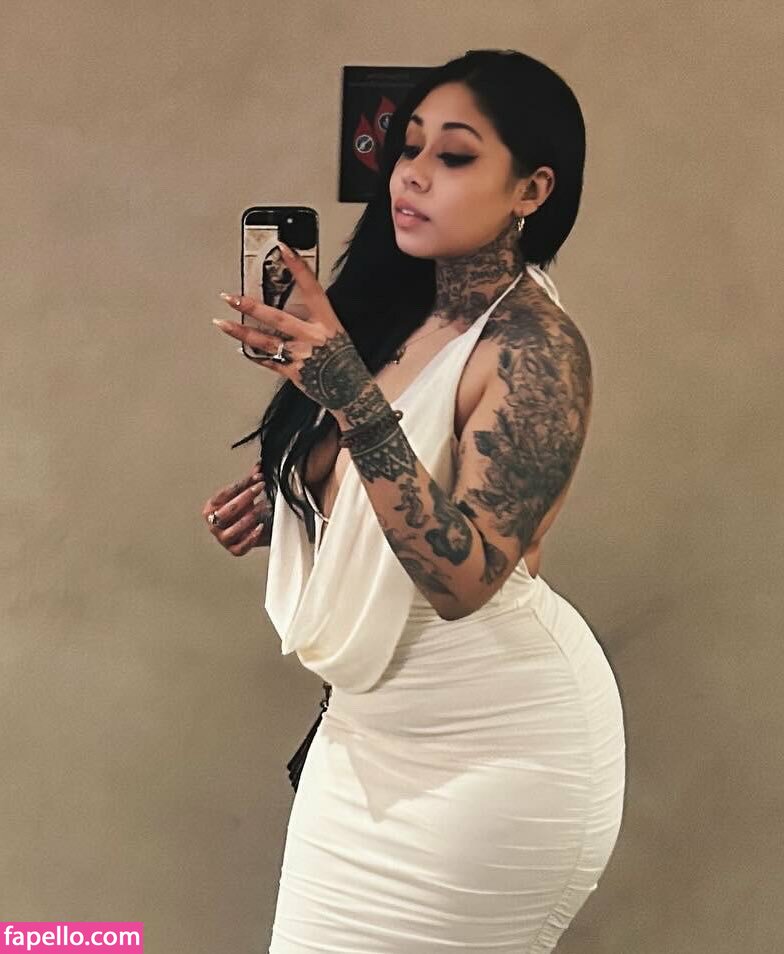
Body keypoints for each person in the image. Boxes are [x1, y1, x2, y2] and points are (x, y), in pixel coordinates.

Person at [203, 49, 626, 954]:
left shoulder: (534, 347)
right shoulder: (398, 309)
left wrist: (351, 398)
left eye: (456, 155)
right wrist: (300, 500)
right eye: (409, 149)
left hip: (496, 749)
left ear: (532, 189)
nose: (414, 175)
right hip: (364, 739)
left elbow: (463, 580)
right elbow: (384, 478)